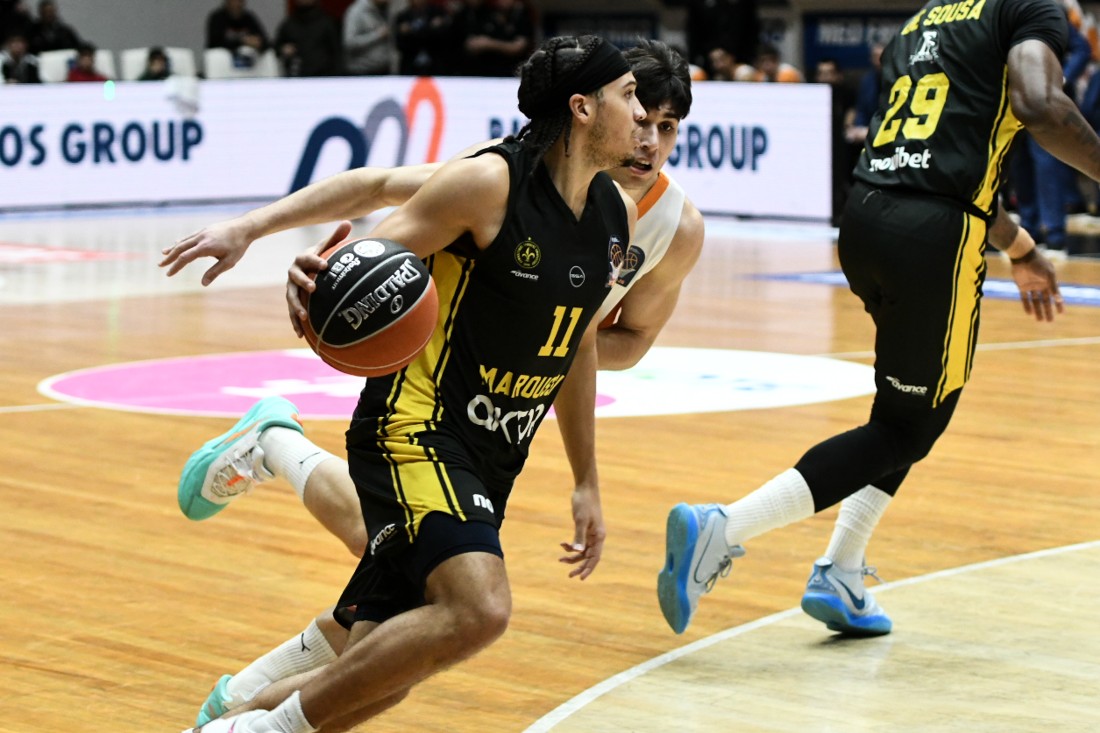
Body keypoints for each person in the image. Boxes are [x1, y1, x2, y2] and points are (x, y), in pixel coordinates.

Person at [162, 43, 698, 726]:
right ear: (582, 108)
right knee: (479, 607)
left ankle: (229, 719)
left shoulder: (619, 217)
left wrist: (586, 478)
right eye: (632, 100)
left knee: (382, 672)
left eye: (663, 120)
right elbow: (369, 247)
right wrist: (311, 274)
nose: (645, 125)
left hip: (494, 449)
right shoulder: (489, 181)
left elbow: (581, 341)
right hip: (415, 425)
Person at [658, 0, 1097, 638]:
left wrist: (1022, 247)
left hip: (864, 220)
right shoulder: (1030, 10)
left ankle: (841, 569)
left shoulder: (924, 22)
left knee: (919, 407)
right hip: (933, 239)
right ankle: (722, 528)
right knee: (903, 428)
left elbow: (935, 162)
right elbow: (1040, 105)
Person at [460, 0, 533, 77]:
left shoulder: (522, 15)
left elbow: (518, 47)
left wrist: (488, 43)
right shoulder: (486, 12)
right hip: (483, 72)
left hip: (512, 72)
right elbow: (470, 43)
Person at [275, 0, 341, 77]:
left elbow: (337, 53)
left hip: (323, 77)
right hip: (296, 76)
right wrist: (283, 49)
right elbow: (276, 47)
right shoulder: (289, 24)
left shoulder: (327, 23)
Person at [205, 0, 269, 69]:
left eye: (241, 1)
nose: (238, 4)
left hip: (247, 67)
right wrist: (242, 41)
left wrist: (258, 43)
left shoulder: (248, 19)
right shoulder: (217, 18)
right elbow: (215, 43)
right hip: (220, 65)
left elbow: (265, 42)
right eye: (235, 1)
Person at [342, 0, 394, 75]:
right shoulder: (356, 11)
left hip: (384, 69)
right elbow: (349, 43)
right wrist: (377, 35)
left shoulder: (384, 9)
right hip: (363, 72)